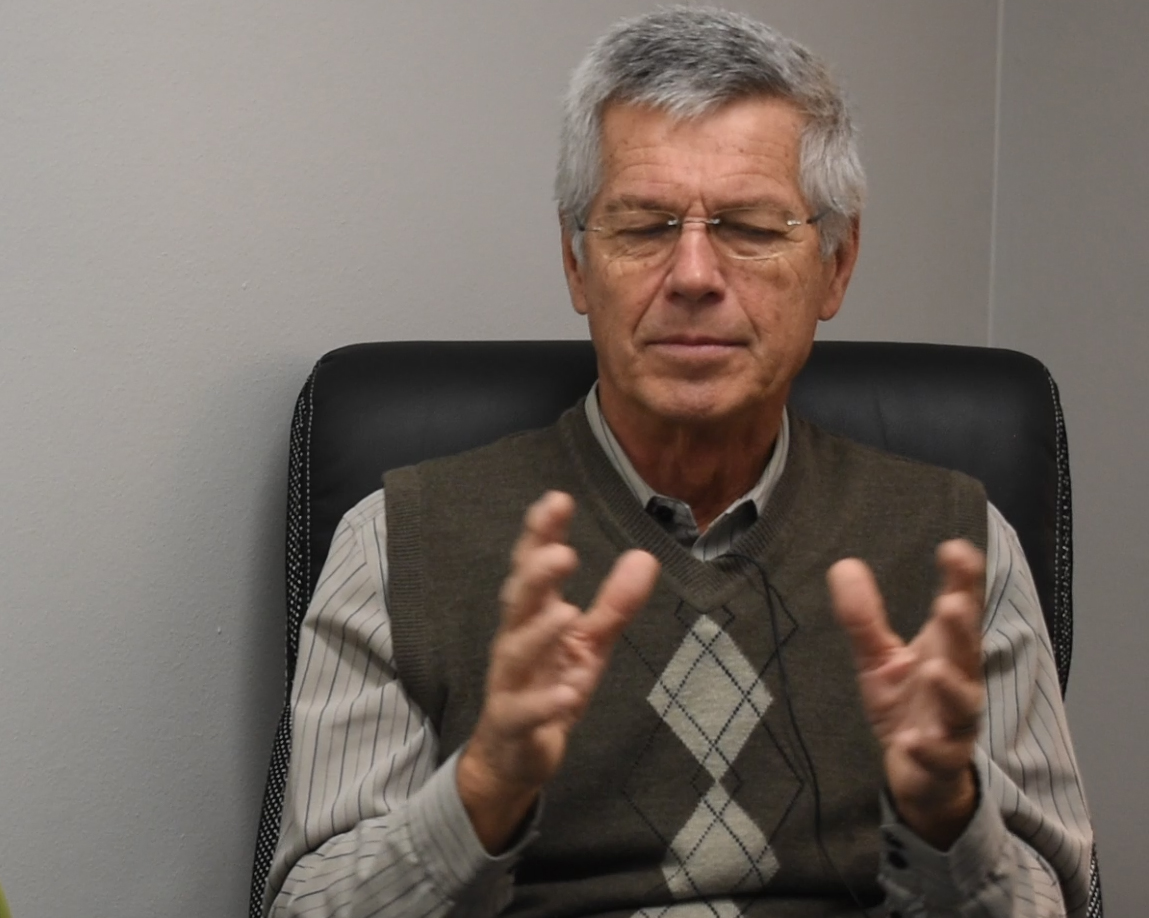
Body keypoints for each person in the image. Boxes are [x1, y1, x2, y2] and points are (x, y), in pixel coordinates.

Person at [263, 7, 1093, 917]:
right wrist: (482, 793)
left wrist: (949, 820)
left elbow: (1054, 898)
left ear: (835, 264)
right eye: (645, 226)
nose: (694, 274)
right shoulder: (394, 545)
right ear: (579, 266)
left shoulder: (960, 547)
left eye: (747, 226)